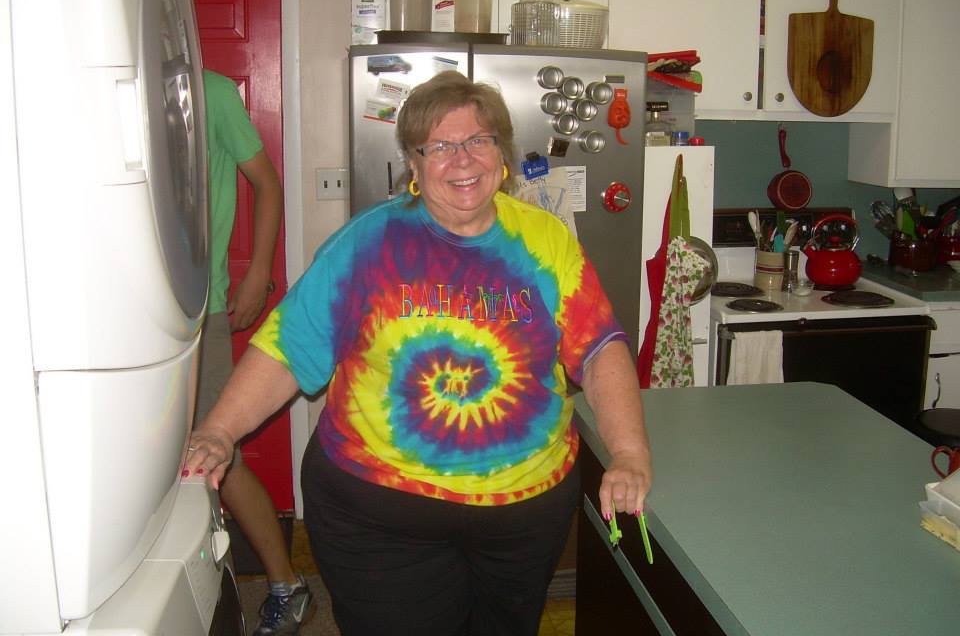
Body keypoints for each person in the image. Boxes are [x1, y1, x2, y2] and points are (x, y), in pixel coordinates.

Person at [186, 71, 652, 636]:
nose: (463, 159)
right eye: (440, 146)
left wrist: (628, 453)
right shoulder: (369, 243)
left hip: (524, 516)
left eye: (478, 140)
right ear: (414, 163)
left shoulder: (546, 239)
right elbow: (288, 347)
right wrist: (219, 430)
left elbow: (599, 348)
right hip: (380, 516)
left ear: (501, 156)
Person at [197, 69, 312, 636]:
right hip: (115, 320)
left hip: (199, 308)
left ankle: (286, 584)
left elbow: (265, 181)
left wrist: (259, 270)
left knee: (218, 451)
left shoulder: (212, 92)